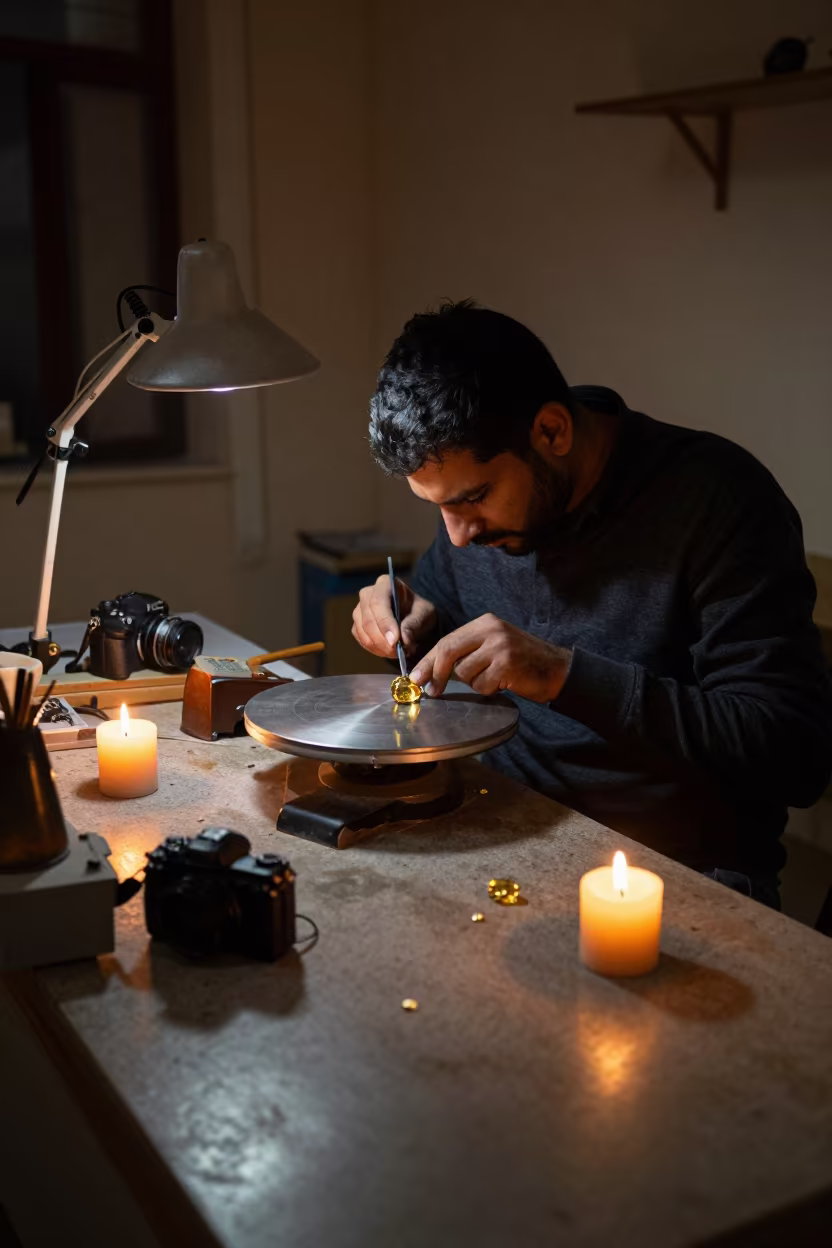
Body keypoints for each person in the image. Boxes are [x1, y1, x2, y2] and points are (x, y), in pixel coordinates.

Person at [353, 301, 832, 906]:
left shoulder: (721, 503)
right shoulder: (481, 499)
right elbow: (446, 611)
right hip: (502, 822)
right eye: (438, 507)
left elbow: (793, 756)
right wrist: (411, 620)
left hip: (668, 872)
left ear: (552, 432)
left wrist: (563, 676)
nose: (458, 535)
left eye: (472, 499)